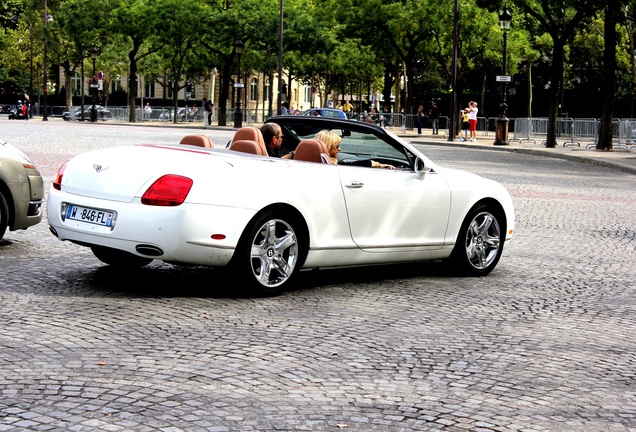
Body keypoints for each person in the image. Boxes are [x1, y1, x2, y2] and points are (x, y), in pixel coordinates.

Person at [315, 129, 395, 169]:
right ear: (328, 146)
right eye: (337, 145)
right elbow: (357, 164)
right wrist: (379, 165)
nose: (339, 149)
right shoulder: (330, 166)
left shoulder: (309, 162)